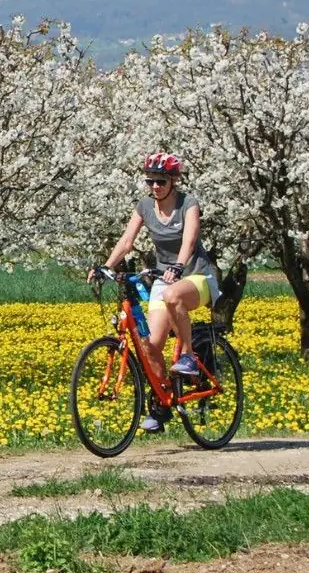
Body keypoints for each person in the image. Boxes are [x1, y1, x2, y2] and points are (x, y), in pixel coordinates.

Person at [100, 152, 220, 432]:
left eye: (161, 181)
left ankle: (188, 355)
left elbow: (189, 239)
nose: (155, 186)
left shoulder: (187, 204)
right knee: (150, 344)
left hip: (196, 275)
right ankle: (162, 404)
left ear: (173, 181)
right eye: (150, 181)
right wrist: (105, 265)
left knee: (172, 296)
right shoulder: (144, 206)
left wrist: (179, 265)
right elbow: (127, 240)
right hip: (165, 277)